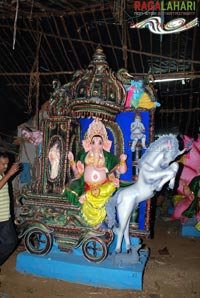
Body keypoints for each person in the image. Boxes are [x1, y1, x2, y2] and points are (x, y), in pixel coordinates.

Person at [64, 118, 127, 228]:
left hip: (102, 186)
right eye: (93, 142)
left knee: (110, 188)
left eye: (99, 142)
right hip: (86, 185)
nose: (96, 145)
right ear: (89, 143)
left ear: (104, 144)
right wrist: (72, 161)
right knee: (70, 188)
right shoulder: (84, 155)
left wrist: (122, 160)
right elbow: (77, 174)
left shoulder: (108, 156)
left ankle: (100, 222)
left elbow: (122, 170)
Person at [0, 151, 20, 266]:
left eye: (7, 164)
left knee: (10, 242)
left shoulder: (2, 175)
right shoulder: (4, 176)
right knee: (10, 242)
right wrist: (9, 174)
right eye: (3, 164)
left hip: (4, 217)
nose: (6, 166)